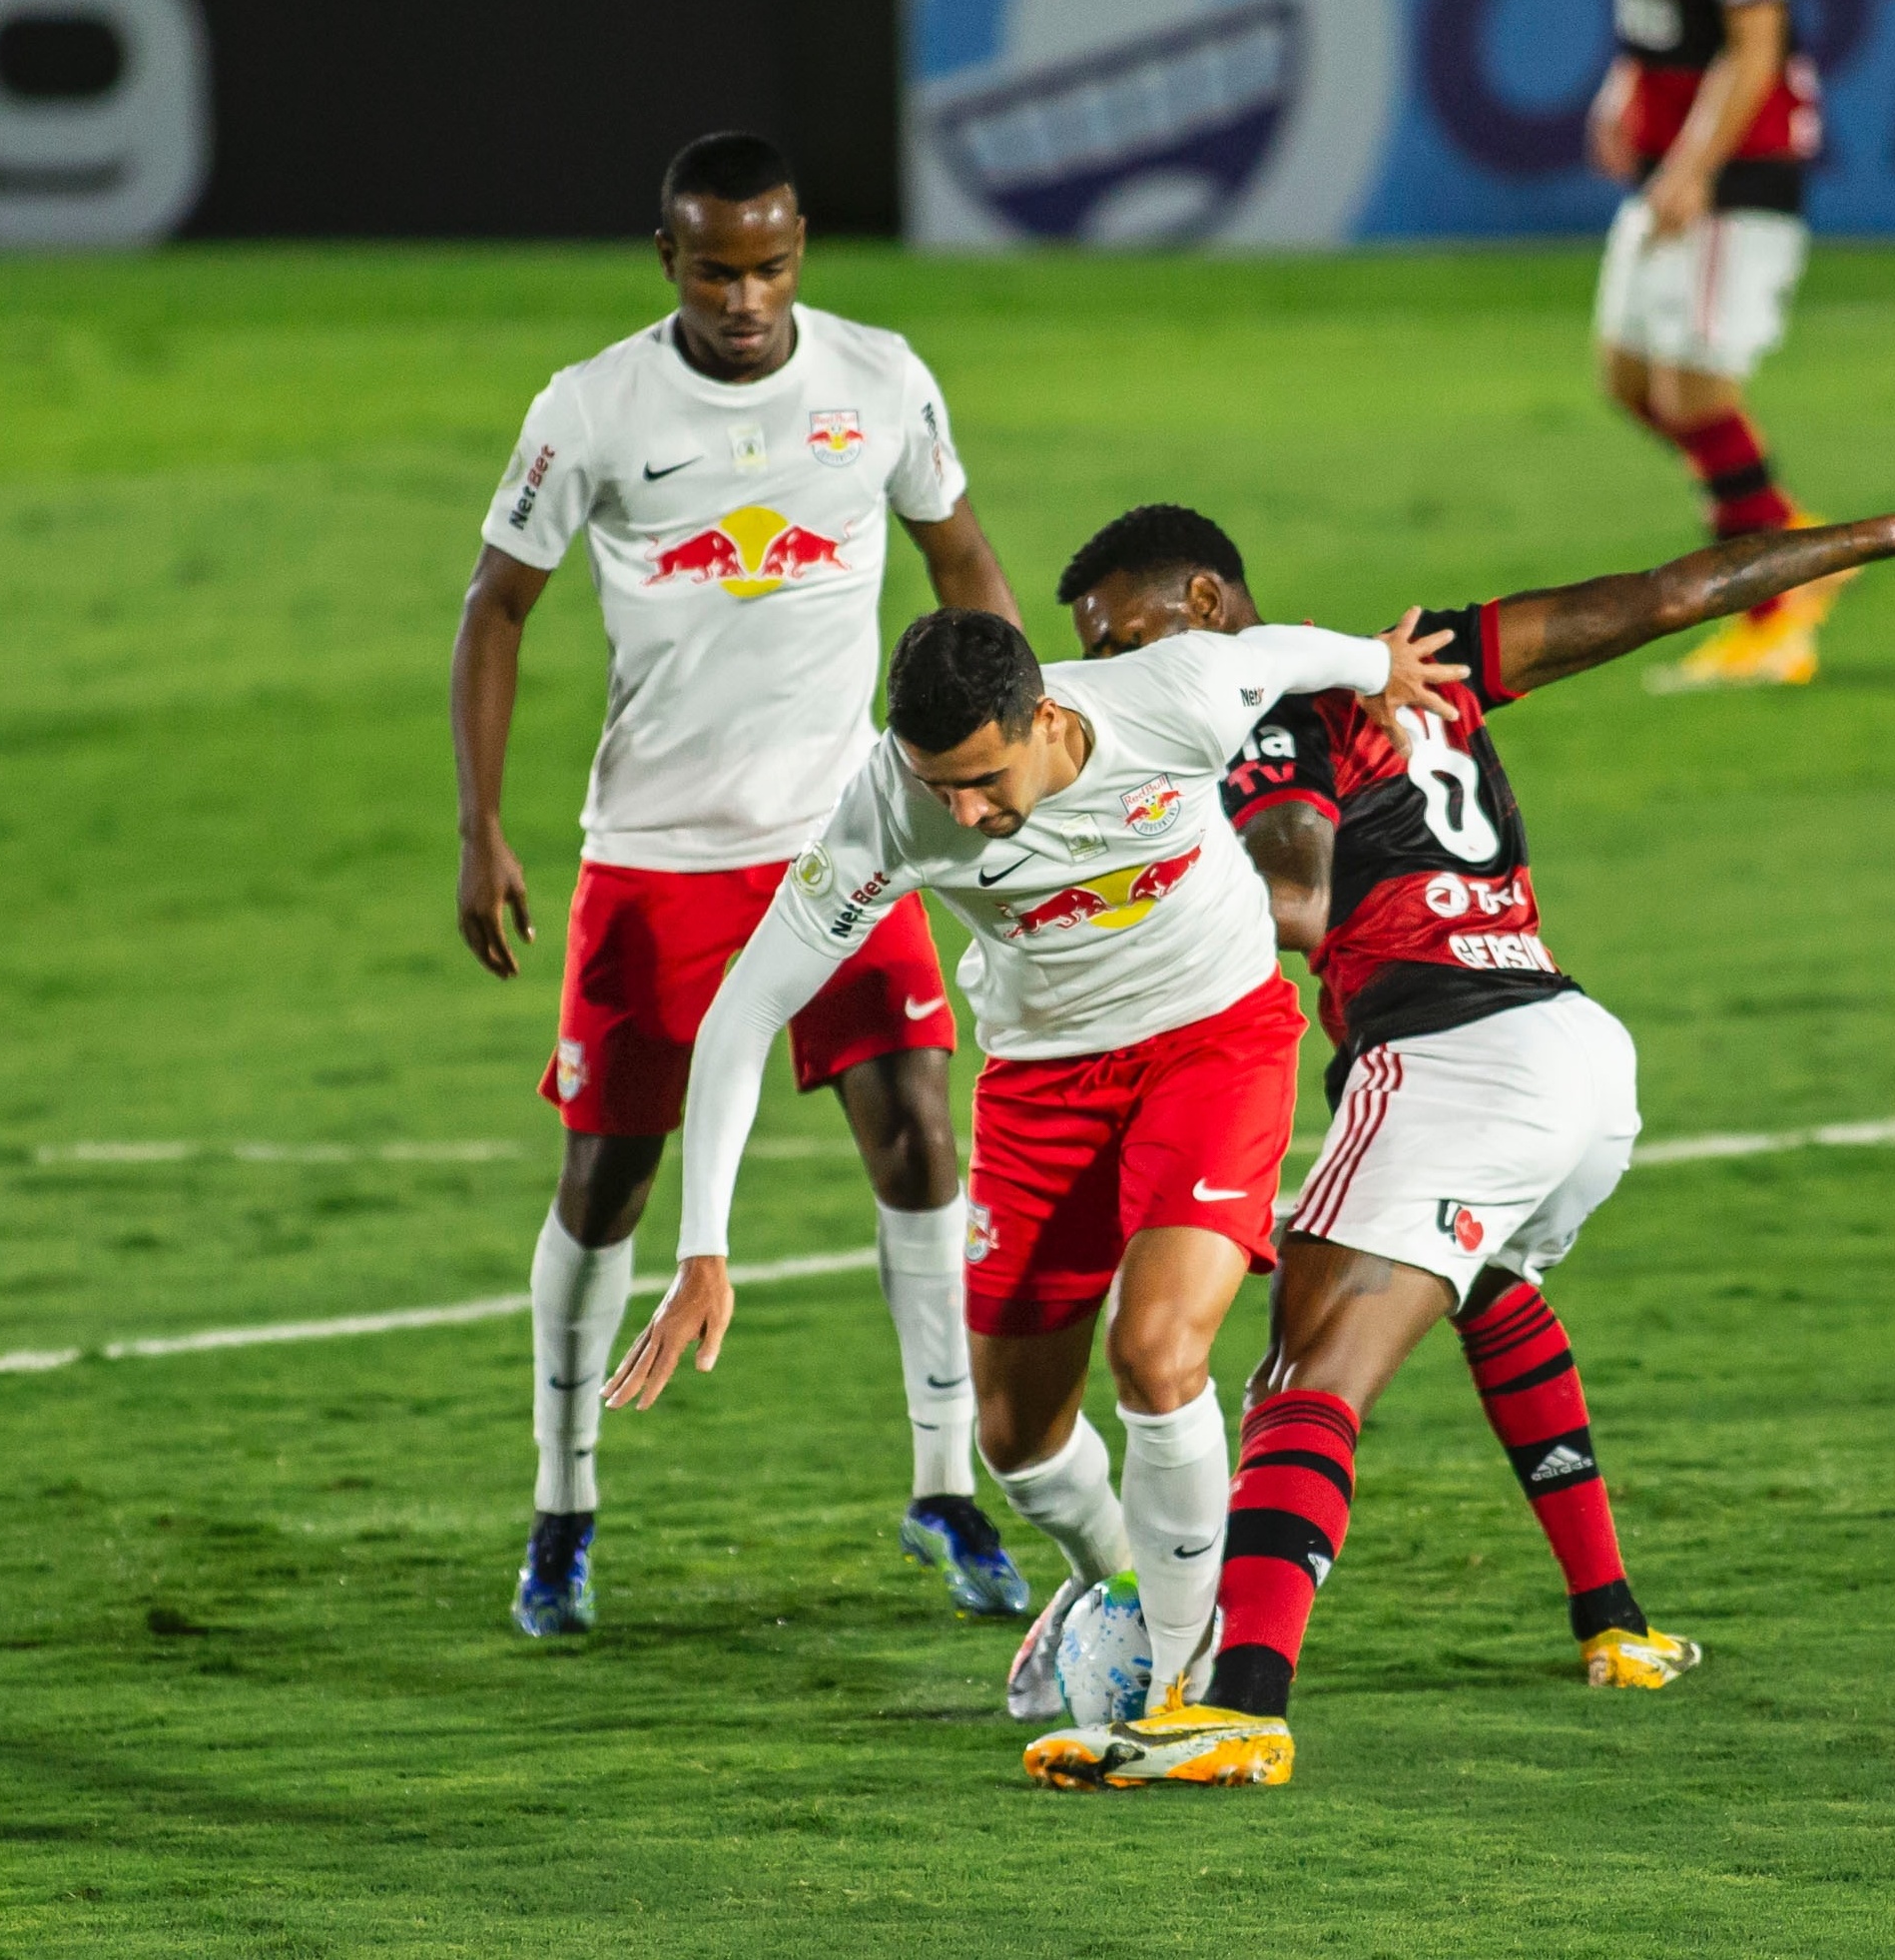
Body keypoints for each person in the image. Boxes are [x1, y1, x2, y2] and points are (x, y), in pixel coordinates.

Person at [1023, 499, 1895, 1790]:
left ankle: (1238, 1702)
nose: (1123, 671)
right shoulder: (1432, 654)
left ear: (1208, 604)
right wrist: (1870, 533)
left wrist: (1083, 876)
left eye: (1132, 636)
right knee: (1489, 1283)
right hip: (1575, 1051)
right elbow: (1671, 592)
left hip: (1449, 1058)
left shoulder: (1262, 718)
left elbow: (1297, 899)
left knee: (1300, 1380)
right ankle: (1615, 1623)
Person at [603, 605, 1461, 1781]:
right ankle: (1114, 1578)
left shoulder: (1175, 697)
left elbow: (1285, 657)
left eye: (980, 779)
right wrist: (703, 1246)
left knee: (1157, 1351)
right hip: (1039, 1086)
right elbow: (747, 1008)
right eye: (934, 785)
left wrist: (1382, 666)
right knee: (1013, 1436)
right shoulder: (887, 805)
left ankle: (1180, 1684)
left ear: (1046, 717)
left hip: (1213, 1041)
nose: (958, 811)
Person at [453, 131, 1029, 1635]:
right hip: (654, 856)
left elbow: (960, 556)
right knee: (608, 1184)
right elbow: (494, 608)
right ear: (669, 262)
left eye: (771, 263)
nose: (748, 296)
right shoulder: (590, 410)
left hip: (843, 830)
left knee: (917, 1130)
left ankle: (942, 1485)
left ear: (798, 254)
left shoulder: (880, 377)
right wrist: (480, 826)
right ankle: (562, 1508)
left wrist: (1019, 760)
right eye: (716, 268)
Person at [1590, 0, 1847, 687]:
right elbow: (1660, 16)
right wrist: (1621, 90)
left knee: (1695, 393)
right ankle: (1785, 532)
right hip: (1666, 165)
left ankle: (1774, 620)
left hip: (1733, 181)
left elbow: (1754, 49)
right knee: (1630, 380)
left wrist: (1694, 165)